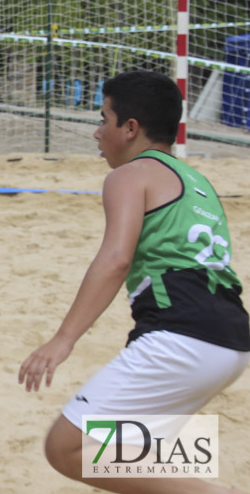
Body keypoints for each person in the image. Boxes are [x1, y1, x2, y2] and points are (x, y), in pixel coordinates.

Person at [18, 70, 250, 494]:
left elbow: (115, 259)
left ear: (130, 128)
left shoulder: (129, 175)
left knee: (66, 448)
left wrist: (63, 339)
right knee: (136, 455)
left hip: (183, 336)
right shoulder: (199, 182)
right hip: (230, 339)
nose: (96, 132)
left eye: (103, 118)